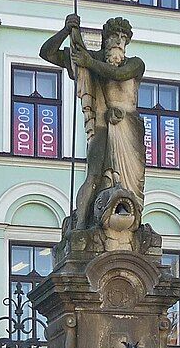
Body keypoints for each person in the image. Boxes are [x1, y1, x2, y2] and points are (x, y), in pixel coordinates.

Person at [40, 14, 147, 230]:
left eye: (123, 37)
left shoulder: (135, 64)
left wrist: (88, 62)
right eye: (113, 36)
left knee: (131, 186)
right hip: (102, 126)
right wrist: (66, 30)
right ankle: (79, 226)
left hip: (129, 129)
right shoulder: (91, 60)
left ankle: (131, 227)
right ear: (104, 39)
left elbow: (119, 74)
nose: (118, 41)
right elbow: (47, 53)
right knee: (94, 176)